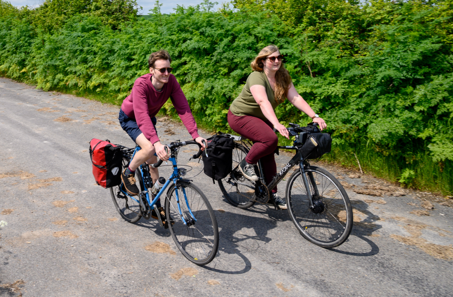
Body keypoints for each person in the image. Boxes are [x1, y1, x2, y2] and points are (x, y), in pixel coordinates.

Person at [227, 45, 327, 209]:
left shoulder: (282, 76)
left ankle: (270, 193)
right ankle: (247, 163)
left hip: (262, 117)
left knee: (269, 150)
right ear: (263, 61)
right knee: (269, 139)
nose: (276, 61)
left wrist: (314, 116)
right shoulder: (256, 77)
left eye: (279, 57)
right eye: (272, 58)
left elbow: (295, 98)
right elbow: (262, 101)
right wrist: (276, 123)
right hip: (240, 116)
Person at [119, 50, 207, 201]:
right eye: (162, 70)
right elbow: (141, 115)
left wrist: (195, 135)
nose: (167, 73)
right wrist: (156, 142)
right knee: (151, 148)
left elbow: (183, 108)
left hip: (148, 118)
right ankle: (128, 173)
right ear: (151, 70)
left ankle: (155, 201)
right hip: (131, 118)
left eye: (169, 69)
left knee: (154, 163)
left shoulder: (171, 82)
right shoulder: (141, 84)